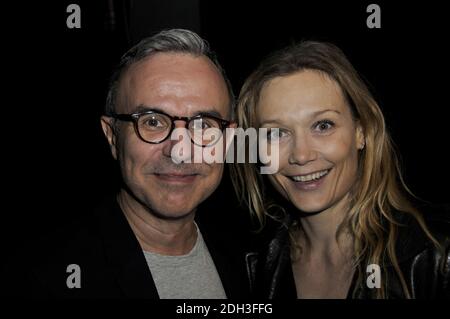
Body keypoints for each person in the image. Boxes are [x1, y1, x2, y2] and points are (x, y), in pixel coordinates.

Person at [3, 29, 250, 298]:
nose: (180, 151)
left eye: (204, 125)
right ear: (112, 136)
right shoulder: (42, 278)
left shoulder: (250, 258)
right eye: (153, 121)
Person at [233, 41, 450, 299]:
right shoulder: (251, 264)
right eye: (276, 133)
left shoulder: (436, 257)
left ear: (362, 132)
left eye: (323, 126)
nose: (301, 155)